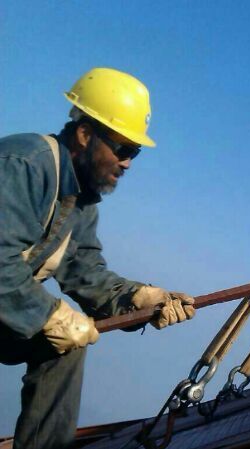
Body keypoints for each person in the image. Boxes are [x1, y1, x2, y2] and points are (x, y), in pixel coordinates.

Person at [0, 67, 196, 449]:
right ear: (85, 134)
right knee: (57, 330)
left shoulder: (81, 202)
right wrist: (49, 314)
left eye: (134, 153)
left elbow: (85, 272)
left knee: (64, 345)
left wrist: (138, 297)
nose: (128, 163)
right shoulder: (24, 166)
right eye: (123, 149)